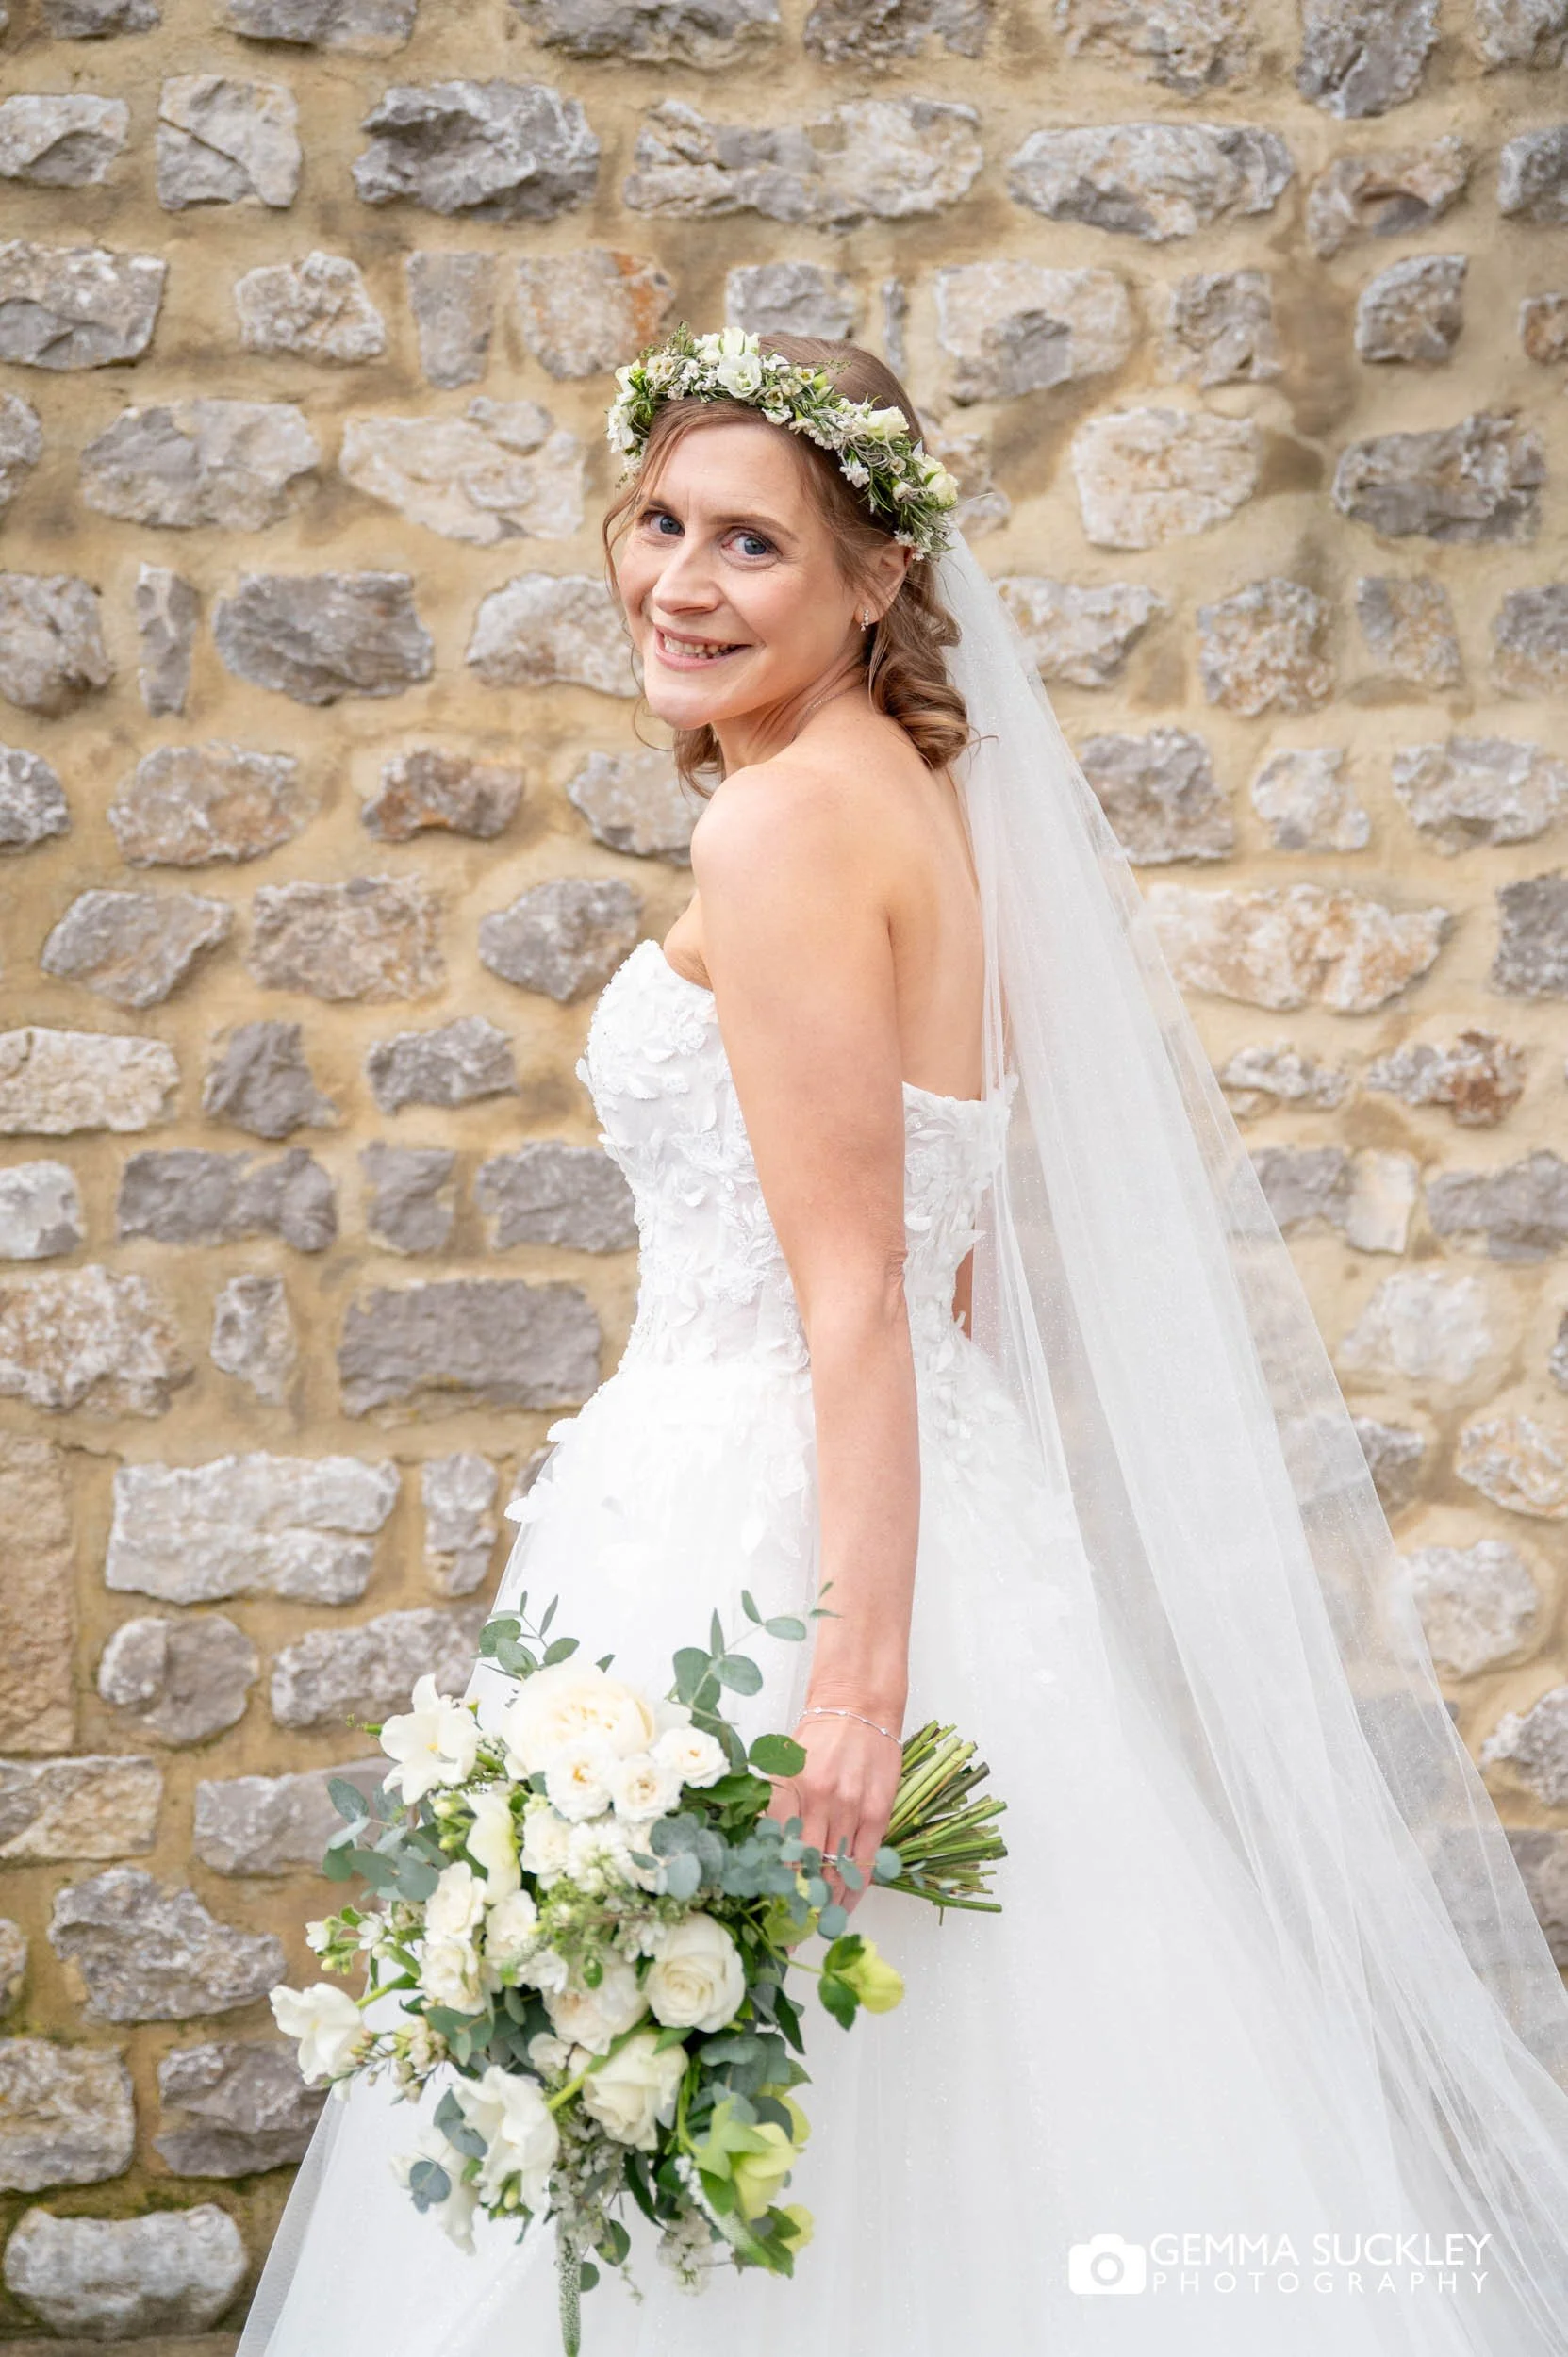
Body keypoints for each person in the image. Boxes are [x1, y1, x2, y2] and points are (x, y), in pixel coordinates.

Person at [239, 330, 1568, 2356]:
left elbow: (859, 1284)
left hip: (765, 1544)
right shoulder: (911, 794)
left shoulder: (772, 833)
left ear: (876, 580)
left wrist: (851, 1683)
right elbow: (941, 1268)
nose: (679, 581)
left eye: (752, 543)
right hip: (910, 1505)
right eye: (662, 522)